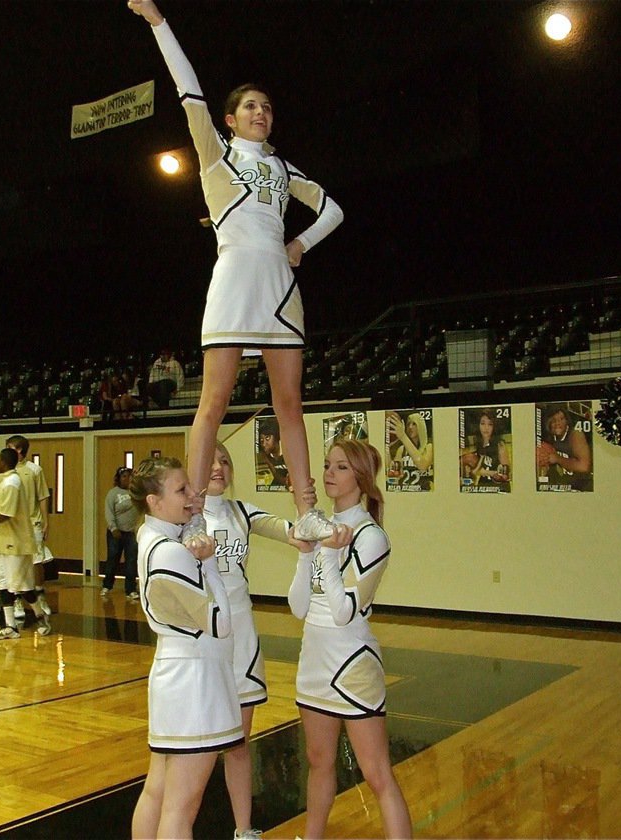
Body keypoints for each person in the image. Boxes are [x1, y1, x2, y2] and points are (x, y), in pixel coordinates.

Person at [129, 0, 344, 547]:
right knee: (214, 402)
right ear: (230, 119)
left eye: (267, 107)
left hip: (279, 285)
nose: (261, 112)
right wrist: (160, 24)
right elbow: (189, 90)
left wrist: (300, 242)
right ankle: (196, 514)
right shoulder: (214, 155)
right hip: (233, 280)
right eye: (251, 106)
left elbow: (334, 210)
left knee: (289, 403)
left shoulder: (280, 166)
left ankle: (308, 509)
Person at [287, 439, 411, 839]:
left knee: (377, 774)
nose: (328, 473)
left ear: (360, 477)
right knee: (318, 762)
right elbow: (299, 607)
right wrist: (307, 553)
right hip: (314, 658)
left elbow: (345, 612)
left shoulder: (371, 536)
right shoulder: (324, 527)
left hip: (351, 663)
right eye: (327, 465)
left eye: (340, 467)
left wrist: (325, 553)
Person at [130, 457, 238, 840]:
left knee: (158, 792)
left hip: (175, 675)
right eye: (181, 491)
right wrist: (209, 564)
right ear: (153, 501)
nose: (193, 497)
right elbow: (221, 623)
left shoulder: (150, 538)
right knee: (180, 809)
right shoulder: (173, 553)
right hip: (195, 684)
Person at [203, 441, 298, 839]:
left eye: (224, 460)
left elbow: (293, 533)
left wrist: (308, 512)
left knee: (239, 743)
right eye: (210, 461)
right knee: (199, 748)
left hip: (241, 636)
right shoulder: (185, 520)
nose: (219, 468)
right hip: (203, 640)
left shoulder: (242, 513)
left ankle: (244, 830)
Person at [0, 448, 50, 639]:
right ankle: (10, 627)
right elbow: (7, 504)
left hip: (16, 543)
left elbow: (7, 514)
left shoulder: (13, 482)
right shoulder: (7, 481)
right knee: (3, 584)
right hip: (2, 542)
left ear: (4, 462)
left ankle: (41, 617)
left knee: (23, 587)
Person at [6, 435, 54, 620]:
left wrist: (46, 521)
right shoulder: (5, 470)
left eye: (10, 448)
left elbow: (43, 496)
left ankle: (40, 595)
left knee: (36, 561)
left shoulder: (34, 470)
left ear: (19, 450)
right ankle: (17, 598)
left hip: (32, 523)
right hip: (12, 525)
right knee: (15, 563)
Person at [103, 466, 140, 600]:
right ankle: (107, 585)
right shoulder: (113, 493)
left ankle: (130, 589)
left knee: (131, 560)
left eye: (129, 476)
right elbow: (109, 512)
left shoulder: (136, 493)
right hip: (116, 533)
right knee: (113, 559)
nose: (127, 479)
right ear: (118, 479)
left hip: (131, 533)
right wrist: (113, 528)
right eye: (124, 476)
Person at [537, 406, 592, 491]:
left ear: (567, 421)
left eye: (561, 419)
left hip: (583, 487)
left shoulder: (575, 435)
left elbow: (584, 467)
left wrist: (557, 458)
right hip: (563, 484)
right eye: (554, 420)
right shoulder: (549, 439)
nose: (557, 423)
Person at [462, 409, 510, 487]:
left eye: (490, 424)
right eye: (483, 423)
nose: (486, 428)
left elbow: (505, 476)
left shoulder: (500, 445)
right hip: (483, 485)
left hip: (497, 487)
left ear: (494, 426)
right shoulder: (479, 444)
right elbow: (476, 470)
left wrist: (486, 472)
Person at [387, 411, 433, 490]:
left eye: (414, 424)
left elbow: (423, 466)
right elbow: (393, 474)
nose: (410, 427)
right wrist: (386, 448)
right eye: (408, 424)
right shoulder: (402, 450)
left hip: (424, 494)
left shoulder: (429, 447)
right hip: (406, 493)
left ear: (421, 426)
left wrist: (403, 436)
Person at [256, 418, 290, 489]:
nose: (264, 444)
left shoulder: (289, 452)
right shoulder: (265, 457)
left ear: (277, 436)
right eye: (261, 440)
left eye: (267, 438)